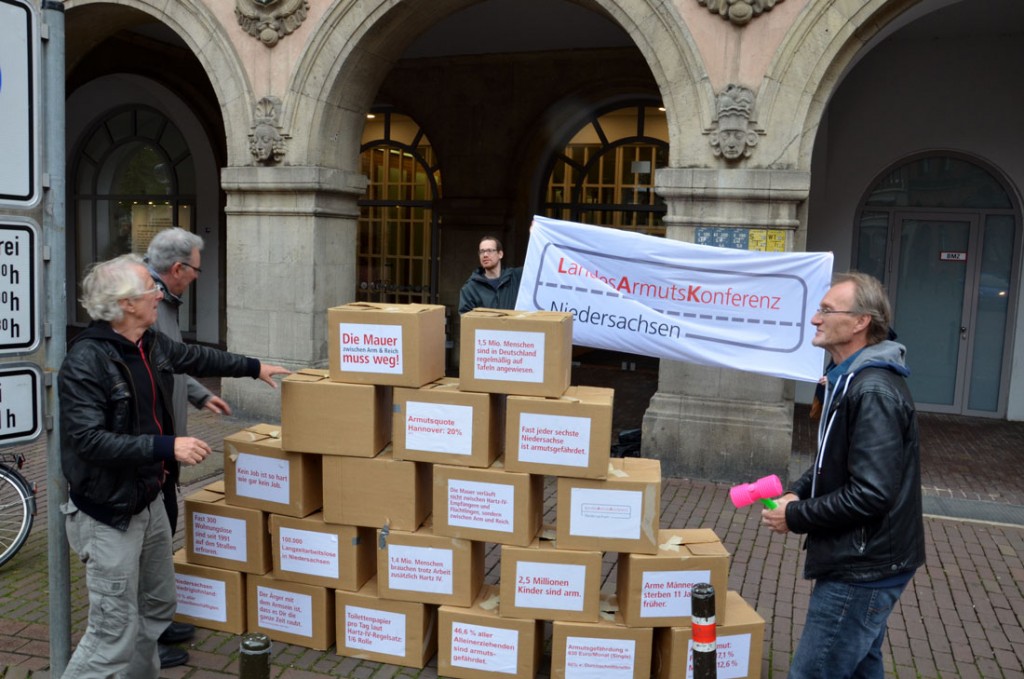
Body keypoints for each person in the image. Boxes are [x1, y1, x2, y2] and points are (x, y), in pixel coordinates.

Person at [58, 254, 290, 678]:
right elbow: (88, 441)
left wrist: (254, 368)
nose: (159, 295)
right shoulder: (86, 361)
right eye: (152, 289)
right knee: (112, 633)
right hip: (109, 513)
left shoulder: (148, 343)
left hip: (147, 502)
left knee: (157, 607)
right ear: (126, 303)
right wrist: (169, 446)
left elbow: (197, 358)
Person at [761, 271, 925, 678]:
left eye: (826, 311)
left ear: (859, 322)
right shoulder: (848, 379)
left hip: (863, 568)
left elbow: (871, 493)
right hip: (867, 561)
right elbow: (830, 463)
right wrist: (799, 492)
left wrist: (796, 516)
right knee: (860, 669)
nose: (816, 319)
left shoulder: (871, 390)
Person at [144, 227, 230, 666]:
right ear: (177, 269)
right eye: (196, 268)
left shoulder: (165, 304)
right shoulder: (147, 306)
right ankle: (148, 640)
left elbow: (173, 360)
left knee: (163, 535)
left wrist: (199, 394)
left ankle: (158, 622)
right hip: (156, 448)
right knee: (149, 542)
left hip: (167, 443)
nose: (198, 276)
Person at [458, 235, 523, 314]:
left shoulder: (516, 277)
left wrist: (536, 234)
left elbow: (537, 266)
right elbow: (466, 319)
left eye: (489, 251)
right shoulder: (470, 288)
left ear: (500, 254)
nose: (485, 255)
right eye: (482, 251)